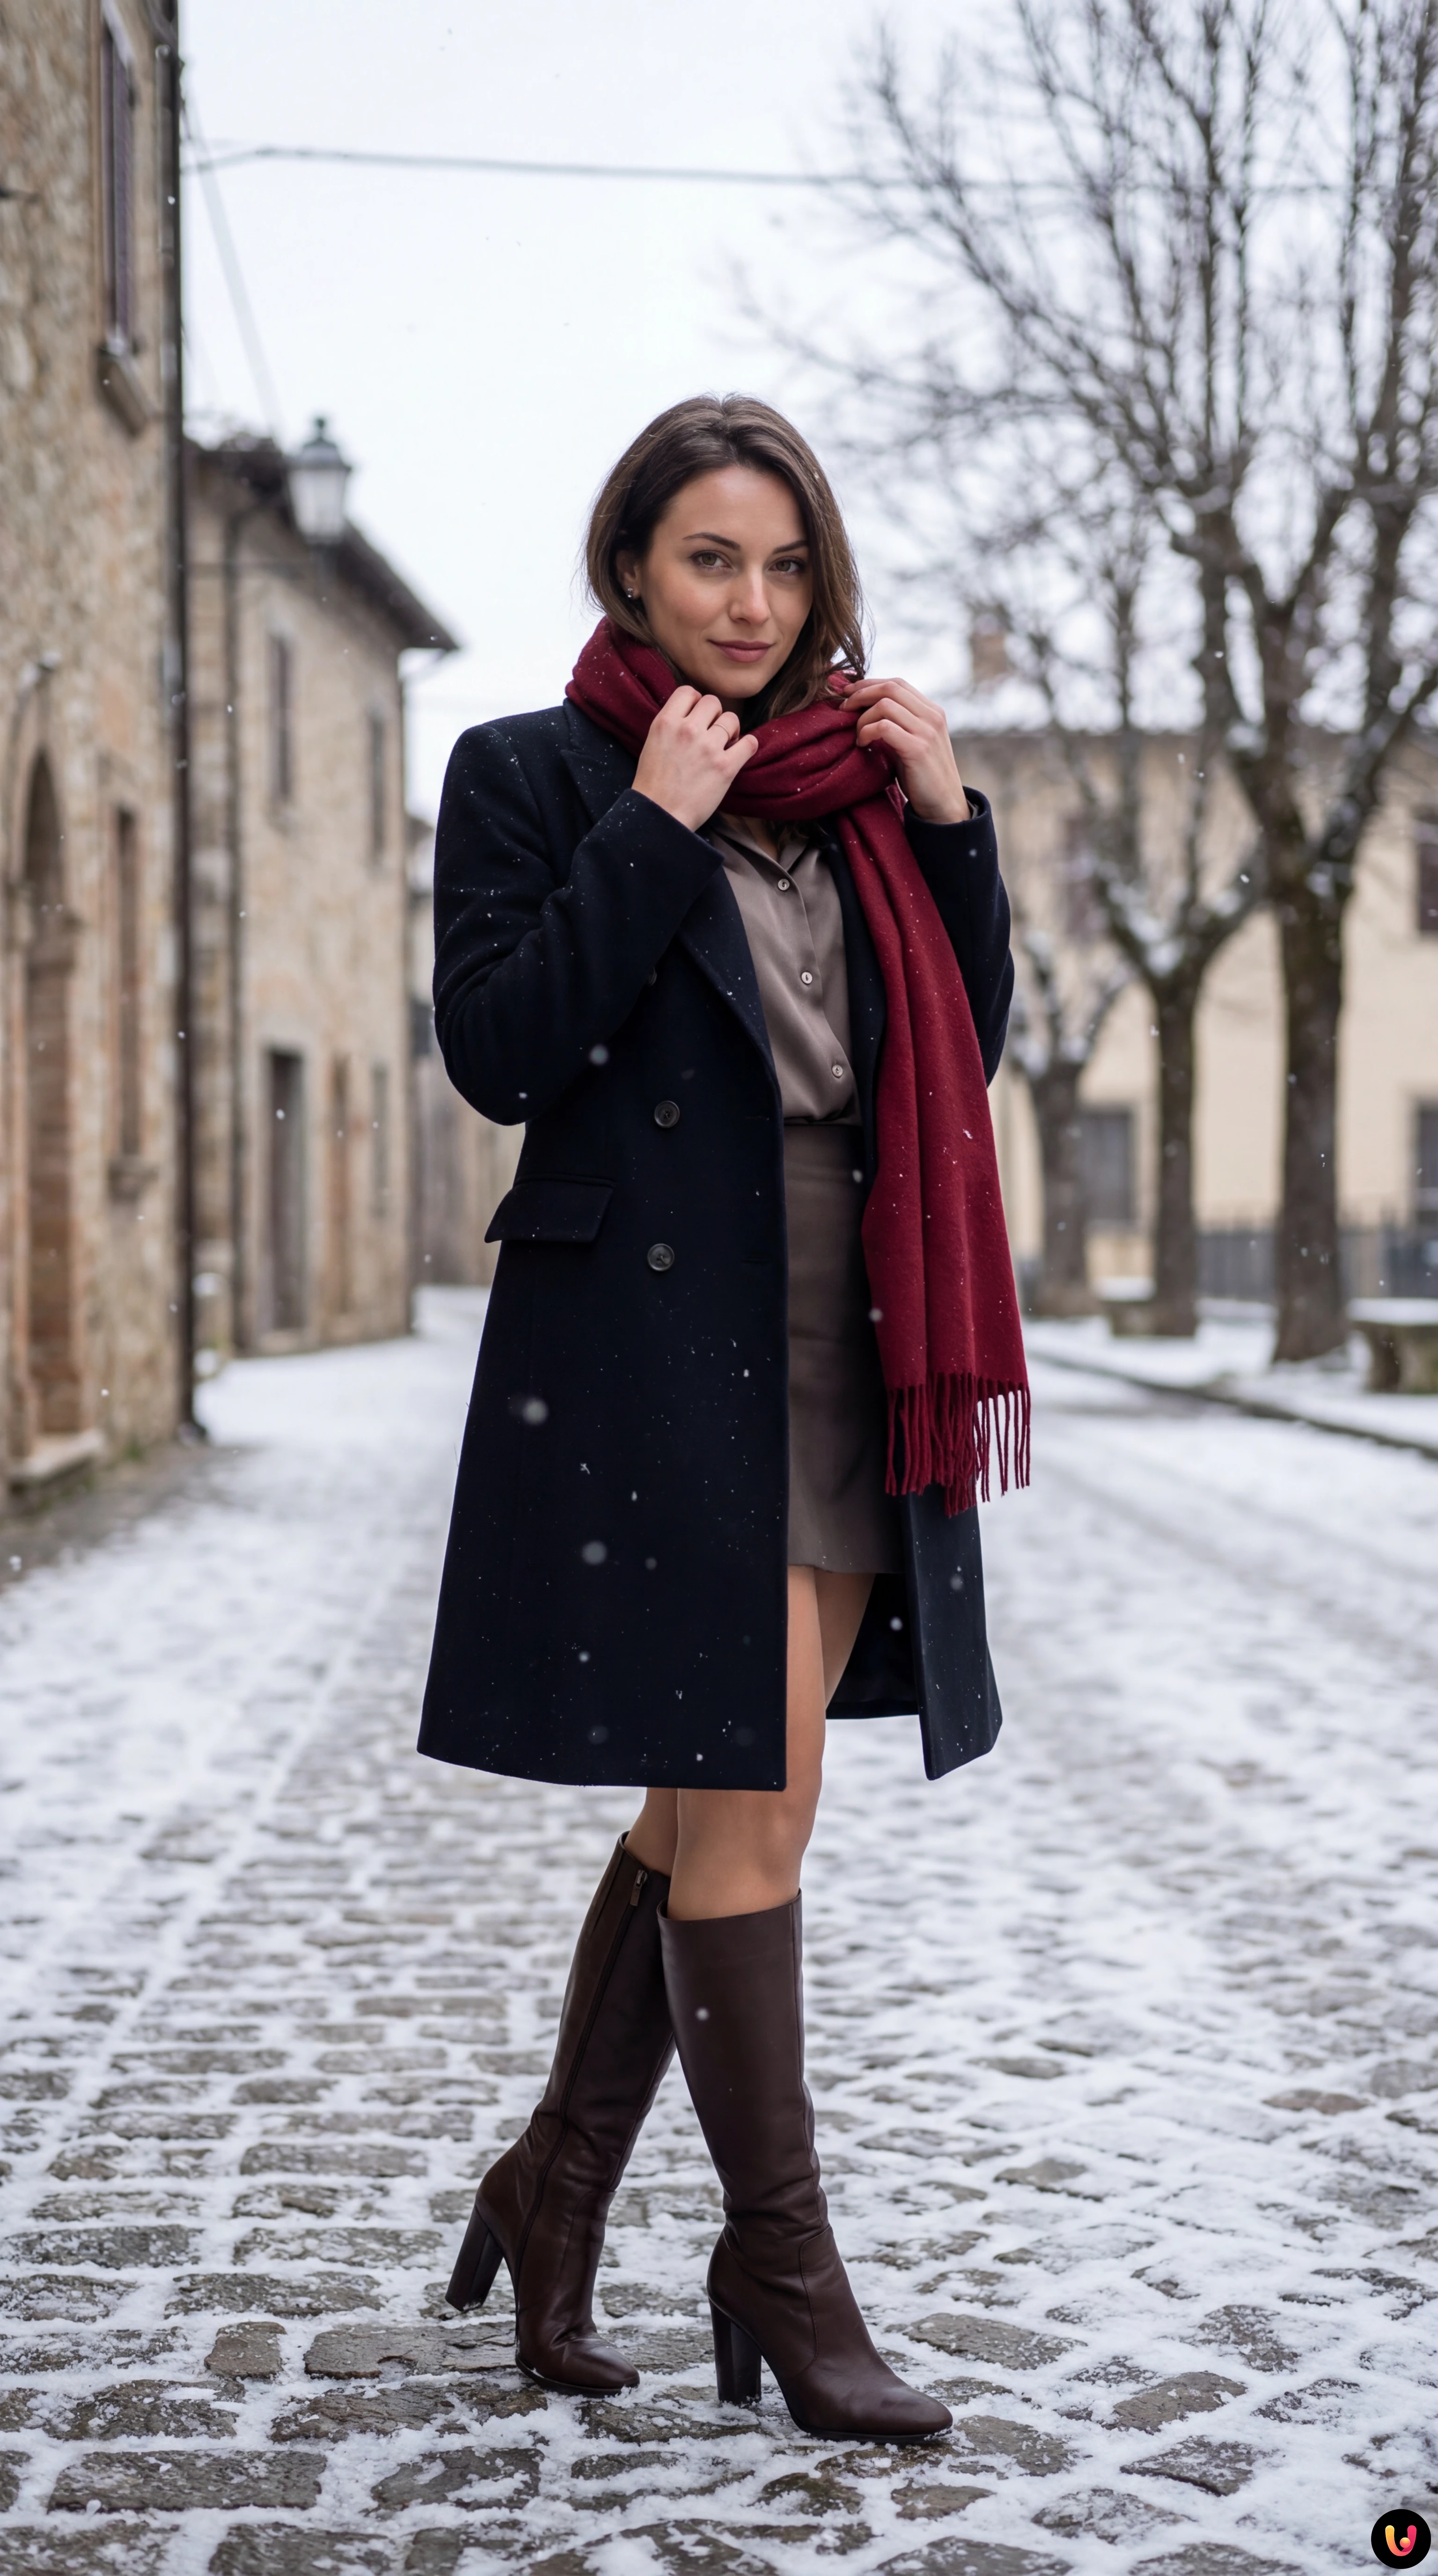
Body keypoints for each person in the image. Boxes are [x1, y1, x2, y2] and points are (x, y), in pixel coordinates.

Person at [419, 395, 1027, 2440]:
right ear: (631, 570)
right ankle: (784, 2255)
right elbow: (506, 1050)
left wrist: (957, 838)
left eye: (783, 565)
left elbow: (956, 1065)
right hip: (649, 1360)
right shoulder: (534, 770)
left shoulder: (862, 796)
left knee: (716, 1804)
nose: (751, 604)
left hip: (856, 1339)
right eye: (710, 560)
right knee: (753, 1793)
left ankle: (556, 2183)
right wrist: (650, 825)